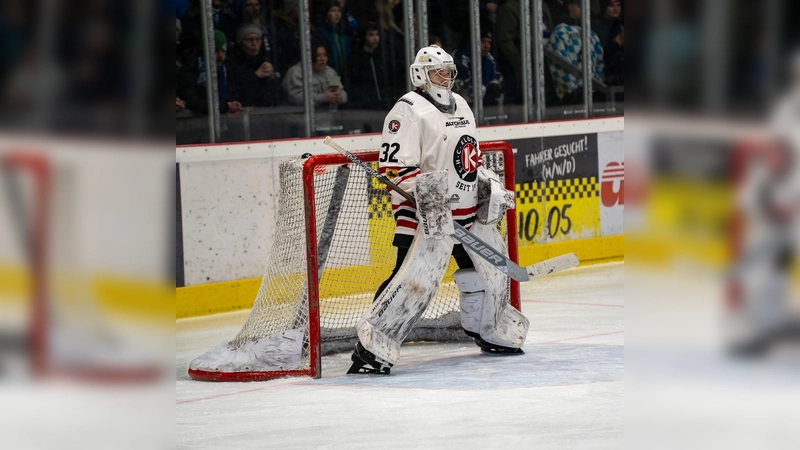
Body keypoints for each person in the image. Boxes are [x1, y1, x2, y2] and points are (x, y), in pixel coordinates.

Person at [347, 45, 526, 375]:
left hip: (466, 212)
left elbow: (469, 155)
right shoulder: (407, 109)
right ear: (421, 74)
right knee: (410, 280)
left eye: (448, 71)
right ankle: (371, 348)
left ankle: (487, 331)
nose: (445, 77)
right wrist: (431, 200)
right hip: (424, 216)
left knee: (483, 274)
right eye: (437, 72)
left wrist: (483, 182)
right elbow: (395, 169)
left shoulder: (462, 104)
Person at [546, 0, 604, 104]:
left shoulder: (590, 33)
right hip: (571, 97)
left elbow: (599, 60)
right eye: (580, 5)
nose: (584, 9)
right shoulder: (560, 32)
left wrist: (597, 86)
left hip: (593, 93)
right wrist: (573, 90)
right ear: (570, 7)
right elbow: (559, 65)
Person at [177, 30, 244, 115]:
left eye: (223, 51)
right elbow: (193, 101)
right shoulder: (191, 69)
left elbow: (235, 93)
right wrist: (225, 107)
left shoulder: (229, 68)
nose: (220, 55)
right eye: (216, 51)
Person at [227, 24, 283, 107]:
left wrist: (272, 79)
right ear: (240, 42)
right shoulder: (232, 63)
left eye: (258, 39)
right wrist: (256, 76)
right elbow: (237, 94)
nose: (254, 43)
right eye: (249, 40)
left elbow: (278, 98)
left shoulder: (263, 61)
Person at [282, 41, 348, 108]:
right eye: (318, 56)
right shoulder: (295, 73)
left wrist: (339, 96)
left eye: (325, 55)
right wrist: (323, 97)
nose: (322, 59)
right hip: (299, 113)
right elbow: (294, 98)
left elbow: (343, 93)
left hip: (327, 113)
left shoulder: (331, 72)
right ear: (309, 57)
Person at [453, 30, 503, 105]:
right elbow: (462, 80)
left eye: (489, 43)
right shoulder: (460, 56)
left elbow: (497, 78)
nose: (487, 46)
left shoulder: (490, 59)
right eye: (483, 41)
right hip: (463, 103)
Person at [347, 21, 390, 109]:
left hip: (383, 104)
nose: (375, 38)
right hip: (364, 105)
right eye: (371, 35)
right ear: (364, 37)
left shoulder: (381, 57)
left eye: (377, 35)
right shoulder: (356, 59)